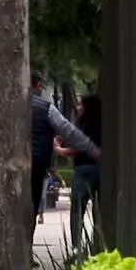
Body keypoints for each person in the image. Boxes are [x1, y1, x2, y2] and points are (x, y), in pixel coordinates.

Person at [30, 73, 99, 238]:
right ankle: (26, 250)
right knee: (31, 207)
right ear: (38, 86)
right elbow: (69, 132)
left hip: (17, 166)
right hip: (36, 165)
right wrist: (94, 151)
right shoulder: (45, 107)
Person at [56, 94, 103, 249]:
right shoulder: (104, 124)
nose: (78, 107)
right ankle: (99, 244)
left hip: (83, 170)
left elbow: (77, 149)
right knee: (99, 211)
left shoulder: (84, 125)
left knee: (77, 210)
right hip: (101, 169)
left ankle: (77, 247)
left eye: (81, 105)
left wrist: (59, 150)